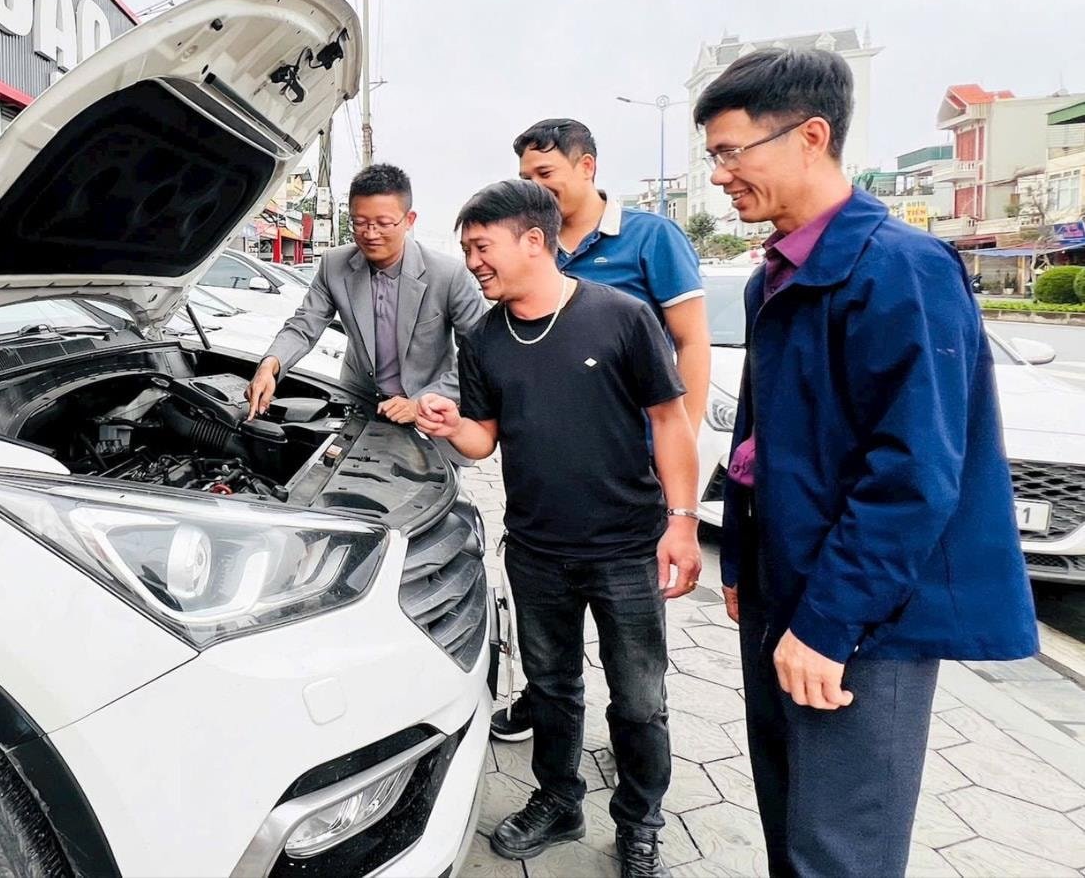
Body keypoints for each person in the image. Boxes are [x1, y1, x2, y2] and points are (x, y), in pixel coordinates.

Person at [694, 47, 1037, 878]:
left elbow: (913, 476)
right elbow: (761, 445)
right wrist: (743, 562)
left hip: (862, 618)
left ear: (810, 136)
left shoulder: (899, 270)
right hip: (786, 586)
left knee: (840, 849)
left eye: (730, 153)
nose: (719, 178)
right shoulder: (774, 273)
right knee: (789, 818)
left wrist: (825, 623)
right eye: (712, 157)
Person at [417, 179, 701, 878]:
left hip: (625, 547)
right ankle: (557, 799)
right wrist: (452, 426)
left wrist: (682, 522)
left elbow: (669, 421)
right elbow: (485, 439)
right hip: (537, 548)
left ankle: (638, 824)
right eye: (465, 250)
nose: (473, 263)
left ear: (534, 240)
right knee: (549, 689)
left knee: (638, 701)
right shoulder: (482, 338)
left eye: (481, 248)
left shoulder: (620, 316)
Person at [492, 118, 710, 744]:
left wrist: (678, 448)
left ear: (587, 168)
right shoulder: (536, 243)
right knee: (549, 618)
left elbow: (692, 344)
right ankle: (546, 699)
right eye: (526, 178)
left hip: (630, 469)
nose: (536, 188)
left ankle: (638, 741)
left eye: (546, 176)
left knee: (631, 636)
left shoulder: (649, 239)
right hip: (556, 476)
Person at [246, 162, 486, 423]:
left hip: (430, 411)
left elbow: (478, 357)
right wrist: (270, 364)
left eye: (383, 223)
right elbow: (304, 325)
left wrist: (420, 403)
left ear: (409, 220)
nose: (370, 234)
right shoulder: (333, 265)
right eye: (359, 222)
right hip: (359, 404)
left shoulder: (449, 275)